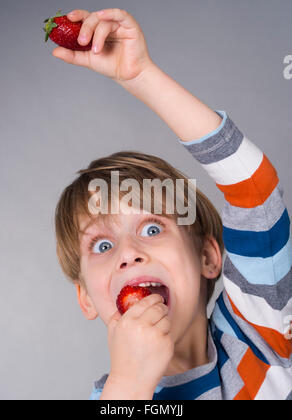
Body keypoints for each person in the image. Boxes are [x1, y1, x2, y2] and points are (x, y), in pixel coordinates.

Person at [53, 8, 292, 400]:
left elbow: (254, 187)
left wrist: (141, 76)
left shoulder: (257, 331)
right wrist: (129, 387)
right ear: (86, 298)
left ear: (208, 258)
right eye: (102, 245)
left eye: (151, 228)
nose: (128, 254)